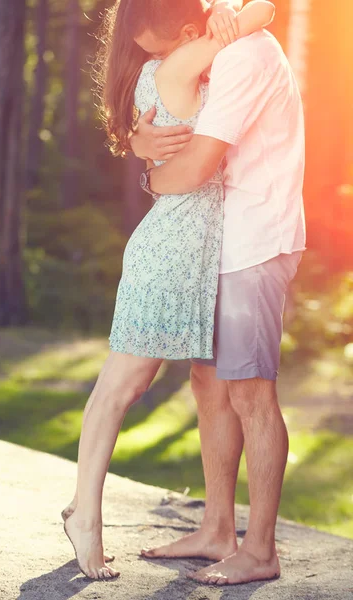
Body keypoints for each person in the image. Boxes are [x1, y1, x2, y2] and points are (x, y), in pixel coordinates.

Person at [61, 0, 275, 582]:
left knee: (128, 384)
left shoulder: (160, 71)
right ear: (188, 34)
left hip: (177, 248)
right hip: (171, 252)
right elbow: (266, 11)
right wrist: (235, 18)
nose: (152, 52)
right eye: (153, 45)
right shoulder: (179, 66)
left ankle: (86, 507)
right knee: (121, 385)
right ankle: (86, 514)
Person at [129, 0, 306, 588]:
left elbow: (199, 165)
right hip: (223, 243)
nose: (164, 63)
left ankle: (260, 549)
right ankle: (216, 529)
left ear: (185, 29)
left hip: (256, 238)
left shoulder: (242, 59)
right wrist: (143, 146)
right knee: (208, 381)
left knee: (250, 391)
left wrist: (148, 172)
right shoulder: (221, 47)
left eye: (162, 51)